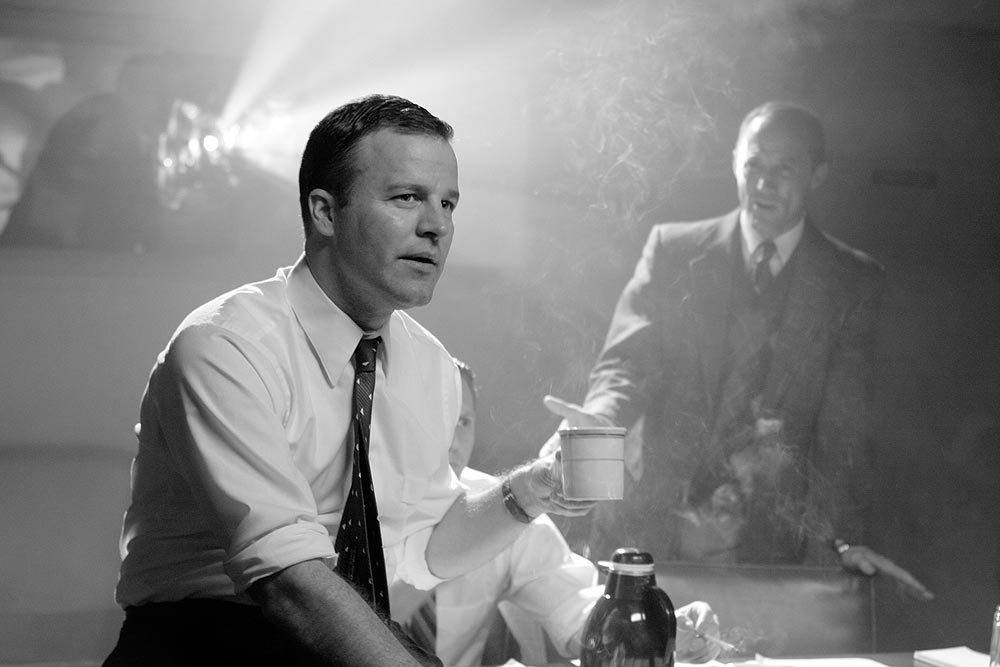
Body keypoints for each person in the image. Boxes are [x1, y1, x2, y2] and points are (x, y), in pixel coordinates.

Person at [101, 94, 594, 667]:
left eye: (448, 203)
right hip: (203, 638)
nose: (436, 226)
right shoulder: (226, 346)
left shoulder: (428, 363)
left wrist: (529, 490)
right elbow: (287, 577)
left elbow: (423, 549)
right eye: (406, 198)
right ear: (325, 213)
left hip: (339, 627)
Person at [543, 101, 934, 599]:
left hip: (770, 537)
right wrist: (599, 418)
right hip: (660, 522)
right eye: (753, 165)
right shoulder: (675, 250)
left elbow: (844, 431)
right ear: (734, 163)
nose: (764, 183)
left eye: (784, 169)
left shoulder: (851, 282)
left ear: (817, 174)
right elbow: (627, 363)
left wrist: (837, 542)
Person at [391, 359, 724, 666]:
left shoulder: (505, 510)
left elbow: (575, 610)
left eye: (463, 421)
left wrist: (653, 629)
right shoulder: (359, 505)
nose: (452, 440)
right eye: (437, 419)